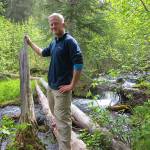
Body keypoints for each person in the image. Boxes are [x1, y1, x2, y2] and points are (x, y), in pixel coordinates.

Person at [25, 13, 83, 150]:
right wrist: (30, 43)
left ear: (63, 24)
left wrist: (72, 85)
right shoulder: (54, 42)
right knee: (54, 113)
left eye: (55, 23)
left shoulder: (69, 41)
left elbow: (79, 64)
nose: (53, 26)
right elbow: (41, 52)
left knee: (63, 123)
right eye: (51, 24)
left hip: (62, 90)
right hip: (51, 87)